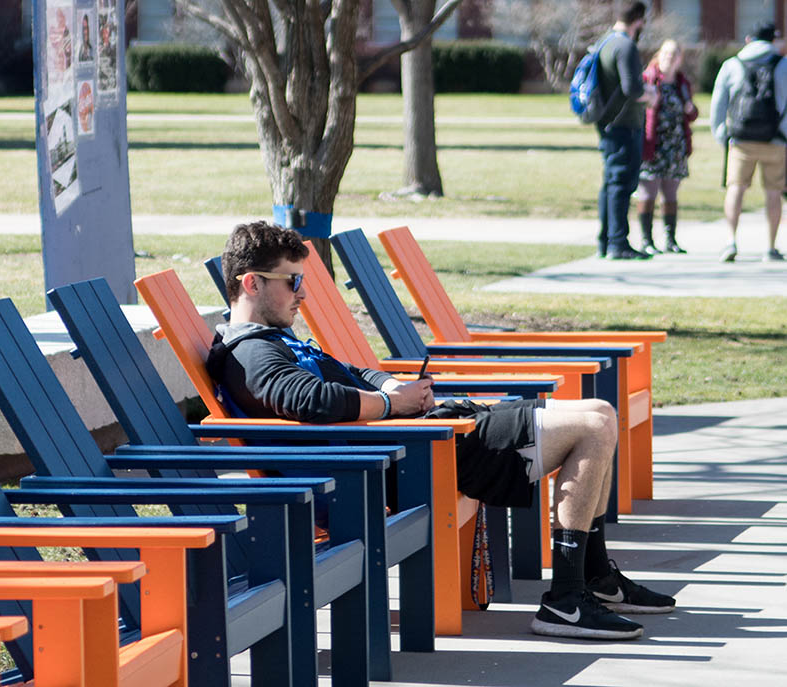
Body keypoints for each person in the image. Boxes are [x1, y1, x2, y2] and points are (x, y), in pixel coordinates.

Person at [207, 221, 677, 640]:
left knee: (599, 410)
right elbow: (311, 401)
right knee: (591, 428)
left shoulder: (278, 342)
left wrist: (397, 389)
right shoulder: (251, 356)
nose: (302, 293)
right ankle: (568, 598)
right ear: (251, 283)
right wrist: (394, 405)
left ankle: (594, 576)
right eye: (293, 282)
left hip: (420, 440)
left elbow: (353, 373)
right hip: (408, 460)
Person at [710, 20, 787, 262]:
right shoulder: (783, 65)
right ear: (772, 40)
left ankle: (730, 241)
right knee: (773, 192)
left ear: (748, 40)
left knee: (735, 189)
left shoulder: (732, 64)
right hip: (776, 139)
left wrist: (722, 134)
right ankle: (770, 247)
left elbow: (718, 104)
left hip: (740, 140)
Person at [594, 2, 655, 260]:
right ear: (638, 19)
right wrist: (650, 93)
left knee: (610, 183)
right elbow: (632, 89)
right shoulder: (626, 46)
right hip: (624, 125)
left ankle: (606, 241)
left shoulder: (605, 42)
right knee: (621, 184)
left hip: (607, 123)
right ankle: (618, 243)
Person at [638, 39, 698, 254]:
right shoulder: (649, 78)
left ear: (679, 59)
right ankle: (647, 240)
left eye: (673, 55)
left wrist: (690, 108)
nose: (669, 58)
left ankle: (670, 240)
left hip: (675, 146)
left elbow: (691, 114)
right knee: (648, 192)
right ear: (659, 54)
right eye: (665, 54)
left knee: (671, 194)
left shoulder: (682, 83)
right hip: (653, 144)